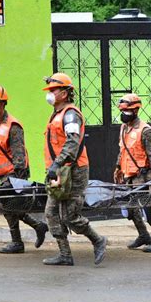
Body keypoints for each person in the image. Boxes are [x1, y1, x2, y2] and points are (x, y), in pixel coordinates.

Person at [42, 72, 107, 266]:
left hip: (74, 170)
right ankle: (65, 254)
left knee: (70, 215)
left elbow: (72, 143)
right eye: (49, 90)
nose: (50, 94)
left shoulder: (71, 115)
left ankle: (98, 240)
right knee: (51, 212)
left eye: (54, 90)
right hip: (60, 171)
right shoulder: (57, 114)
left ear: (65, 93)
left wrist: (57, 164)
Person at [0, 84, 48, 254]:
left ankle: (17, 242)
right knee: (9, 207)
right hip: (2, 173)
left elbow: (19, 154)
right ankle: (38, 227)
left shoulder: (13, 126)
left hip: (14, 173)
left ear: (1, 104)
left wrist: (16, 180)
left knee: (6, 206)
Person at [113, 93, 151, 252]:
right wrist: (117, 167)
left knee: (150, 210)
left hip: (144, 177)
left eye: (126, 111)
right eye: (121, 111)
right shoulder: (124, 128)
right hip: (128, 175)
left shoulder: (146, 131)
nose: (123, 114)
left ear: (135, 111)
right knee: (130, 209)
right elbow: (122, 150)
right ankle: (143, 235)